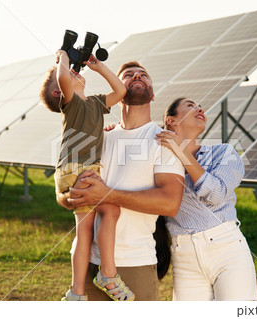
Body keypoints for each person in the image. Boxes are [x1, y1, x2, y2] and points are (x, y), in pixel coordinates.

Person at [56, 61, 185, 301]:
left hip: (134, 263)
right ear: (119, 90)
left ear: (153, 94)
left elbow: (170, 204)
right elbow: (68, 189)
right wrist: (66, 196)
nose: (137, 76)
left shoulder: (164, 142)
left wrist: (106, 195)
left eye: (143, 75)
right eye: (128, 75)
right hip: (86, 264)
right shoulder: (98, 137)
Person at [39, 50, 134, 301]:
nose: (73, 73)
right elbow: (62, 78)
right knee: (109, 212)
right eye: (67, 75)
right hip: (77, 170)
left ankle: (77, 293)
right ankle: (107, 276)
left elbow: (121, 92)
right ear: (59, 92)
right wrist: (62, 59)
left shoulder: (94, 104)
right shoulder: (71, 105)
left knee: (87, 230)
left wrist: (98, 67)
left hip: (83, 170)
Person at [155, 97, 257, 301]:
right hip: (183, 256)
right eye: (190, 105)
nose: (199, 107)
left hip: (227, 249)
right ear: (172, 120)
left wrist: (181, 151)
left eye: (200, 106)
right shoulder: (158, 160)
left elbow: (217, 194)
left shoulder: (224, 153)